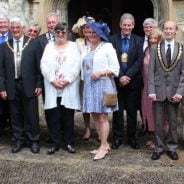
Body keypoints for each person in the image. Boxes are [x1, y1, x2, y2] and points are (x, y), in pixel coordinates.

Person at [0, 17, 42, 153]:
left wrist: (38, 84)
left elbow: (39, 67)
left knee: (31, 114)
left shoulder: (34, 44)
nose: (15, 30)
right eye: (13, 28)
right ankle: (19, 140)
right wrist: (2, 88)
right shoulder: (4, 46)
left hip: (29, 84)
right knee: (15, 115)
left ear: (23, 28)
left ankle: (33, 140)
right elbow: (1, 70)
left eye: (18, 27)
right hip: (12, 85)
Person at [81, 17, 119, 160]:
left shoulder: (107, 47)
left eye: (94, 33)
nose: (91, 35)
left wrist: (101, 72)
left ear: (101, 35)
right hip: (90, 86)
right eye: (89, 32)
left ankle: (103, 145)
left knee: (103, 117)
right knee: (95, 116)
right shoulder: (86, 48)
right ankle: (103, 143)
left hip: (103, 84)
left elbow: (116, 69)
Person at [41, 22, 81, 155]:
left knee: (68, 117)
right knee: (54, 117)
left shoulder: (73, 47)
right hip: (53, 87)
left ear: (67, 33)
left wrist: (67, 80)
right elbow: (44, 65)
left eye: (63, 32)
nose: (60, 34)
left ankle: (69, 142)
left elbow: (77, 65)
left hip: (67, 87)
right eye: (57, 32)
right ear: (54, 33)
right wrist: (52, 80)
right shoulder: (49, 47)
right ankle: (55, 143)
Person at [148, 21, 184, 160]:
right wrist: (151, 91)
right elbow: (151, 71)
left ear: (175, 31)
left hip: (175, 92)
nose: (168, 31)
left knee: (173, 122)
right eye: (166, 28)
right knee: (158, 122)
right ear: (163, 31)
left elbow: (183, 73)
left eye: (171, 29)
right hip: (157, 91)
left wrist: (180, 92)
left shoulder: (182, 48)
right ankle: (158, 148)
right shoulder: (155, 49)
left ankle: (172, 147)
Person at [110, 13, 143, 150]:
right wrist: (120, 76)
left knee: (131, 112)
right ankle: (117, 138)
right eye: (124, 25)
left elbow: (139, 61)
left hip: (132, 83)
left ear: (133, 26)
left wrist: (127, 76)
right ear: (120, 25)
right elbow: (111, 61)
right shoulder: (112, 40)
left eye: (129, 25)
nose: (127, 27)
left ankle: (131, 138)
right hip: (116, 83)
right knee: (117, 112)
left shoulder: (139, 40)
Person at [141, 28, 168, 149]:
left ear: (160, 40)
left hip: (158, 87)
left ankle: (160, 140)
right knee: (149, 113)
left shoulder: (163, 52)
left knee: (160, 114)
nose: (152, 40)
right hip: (147, 87)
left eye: (155, 39)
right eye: (150, 38)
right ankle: (153, 137)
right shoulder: (146, 50)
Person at [72, 16, 95, 141]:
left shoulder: (98, 40)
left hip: (96, 78)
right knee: (85, 104)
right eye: (85, 27)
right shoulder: (77, 42)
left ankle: (100, 127)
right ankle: (87, 127)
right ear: (81, 29)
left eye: (89, 27)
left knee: (97, 104)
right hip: (82, 78)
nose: (87, 29)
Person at [0, 15, 12, 132]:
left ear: (8, 25)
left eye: (4, 23)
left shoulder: (13, 37)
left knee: (10, 102)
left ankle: (13, 127)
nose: (2, 25)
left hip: (9, 75)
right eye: (0, 23)